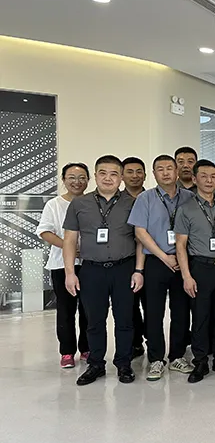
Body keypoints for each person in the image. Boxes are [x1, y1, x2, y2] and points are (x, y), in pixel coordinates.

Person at [62, 155, 144, 386]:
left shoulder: (133, 203)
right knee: (94, 321)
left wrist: (139, 270)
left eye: (114, 174)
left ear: (121, 177)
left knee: (125, 320)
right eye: (103, 173)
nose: (108, 178)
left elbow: (140, 239)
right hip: (92, 271)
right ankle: (96, 364)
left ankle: (124, 363)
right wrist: (70, 272)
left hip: (124, 269)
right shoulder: (79, 204)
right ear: (95, 176)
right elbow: (70, 240)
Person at [127, 155, 194, 381]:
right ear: (154, 174)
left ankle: (177, 356)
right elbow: (140, 232)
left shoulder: (189, 197)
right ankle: (156, 358)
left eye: (169, 168)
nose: (165, 173)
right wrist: (164, 257)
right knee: (153, 312)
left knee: (181, 311)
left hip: (183, 261)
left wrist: (178, 258)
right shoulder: (145, 198)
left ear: (177, 171)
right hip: (156, 261)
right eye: (160, 169)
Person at [174, 160, 215, 383]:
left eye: (213, 176)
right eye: (204, 176)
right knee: (200, 317)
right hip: (200, 267)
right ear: (194, 179)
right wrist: (186, 276)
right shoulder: (186, 208)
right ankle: (200, 361)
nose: (209, 180)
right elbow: (180, 245)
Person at [37, 163, 90, 368]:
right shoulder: (54, 204)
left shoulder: (92, 202)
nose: (77, 182)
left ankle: (86, 348)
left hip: (89, 264)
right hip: (61, 265)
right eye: (72, 177)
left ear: (88, 179)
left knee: (88, 310)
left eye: (82, 177)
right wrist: (69, 248)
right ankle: (67, 352)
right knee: (66, 310)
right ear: (64, 180)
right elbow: (45, 231)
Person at [122, 156, 147, 358]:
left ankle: (152, 341)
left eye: (139, 172)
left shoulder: (154, 198)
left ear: (145, 175)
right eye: (129, 172)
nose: (135, 176)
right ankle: (135, 342)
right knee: (129, 305)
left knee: (151, 305)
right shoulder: (116, 201)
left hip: (151, 258)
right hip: (126, 260)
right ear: (122, 176)